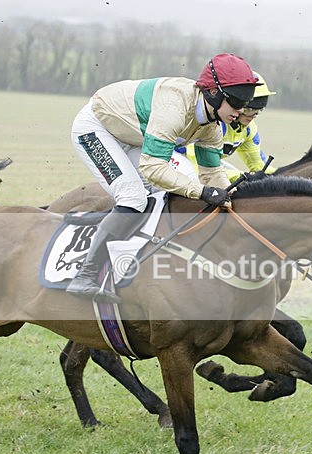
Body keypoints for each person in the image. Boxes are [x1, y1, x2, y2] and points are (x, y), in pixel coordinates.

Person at [66, 53, 261, 302]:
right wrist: (201, 192)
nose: (241, 110)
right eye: (236, 102)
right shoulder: (175, 108)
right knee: (134, 197)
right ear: (213, 93)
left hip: (133, 136)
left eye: (245, 103)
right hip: (98, 128)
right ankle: (85, 274)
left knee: (162, 195)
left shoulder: (211, 128)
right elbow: (153, 168)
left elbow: (212, 174)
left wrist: (235, 201)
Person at [179, 72, 277, 182]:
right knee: (194, 182)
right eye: (249, 110)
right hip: (177, 155)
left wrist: (285, 175)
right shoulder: (213, 125)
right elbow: (201, 169)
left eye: (259, 110)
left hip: (205, 164)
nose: (254, 116)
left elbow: (259, 166)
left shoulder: (249, 129)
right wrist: (243, 177)